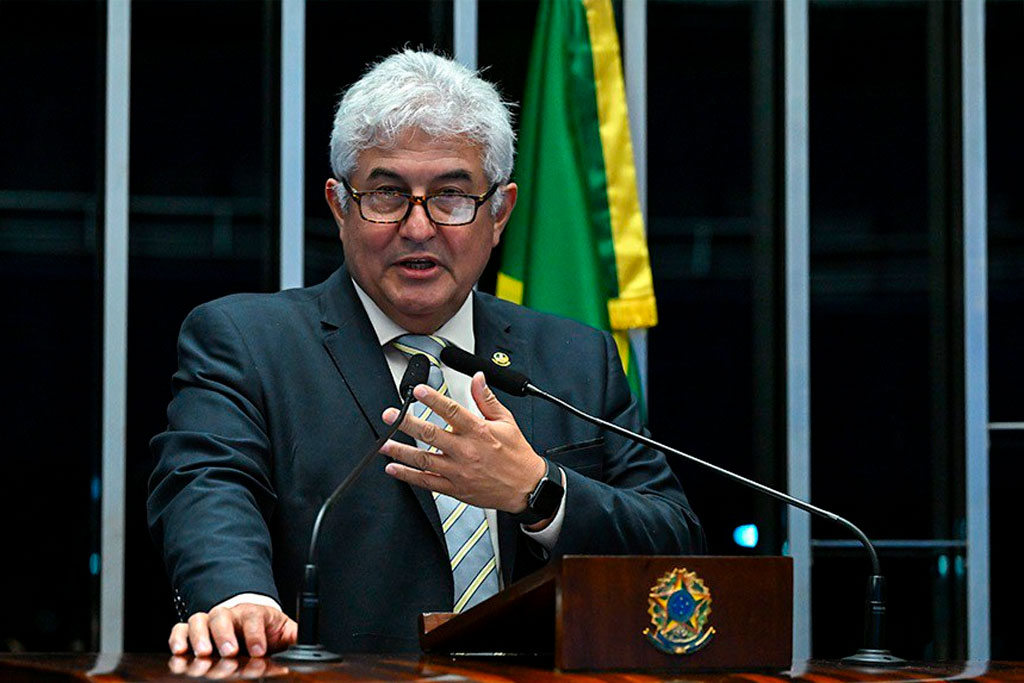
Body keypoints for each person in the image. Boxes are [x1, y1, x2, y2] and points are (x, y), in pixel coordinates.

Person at [148, 49, 704, 658]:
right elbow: (206, 483)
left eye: (451, 196)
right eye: (387, 193)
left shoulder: (576, 358)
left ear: (499, 214)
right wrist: (238, 596)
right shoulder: (249, 341)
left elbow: (672, 541)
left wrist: (537, 490)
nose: (418, 227)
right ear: (339, 206)